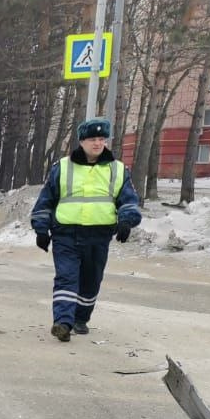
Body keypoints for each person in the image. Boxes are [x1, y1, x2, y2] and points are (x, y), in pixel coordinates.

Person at [29, 117, 142, 342]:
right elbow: (46, 200)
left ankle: (80, 318)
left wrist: (126, 221)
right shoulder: (62, 167)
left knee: (91, 281)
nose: (98, 143)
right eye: (92, 139)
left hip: (99, 236)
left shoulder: (118, 169)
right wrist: (41, 229)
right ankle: (62, 322)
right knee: (66, 278)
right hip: (66, 234)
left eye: (102, 139)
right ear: (81, 141)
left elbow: (128, 200)